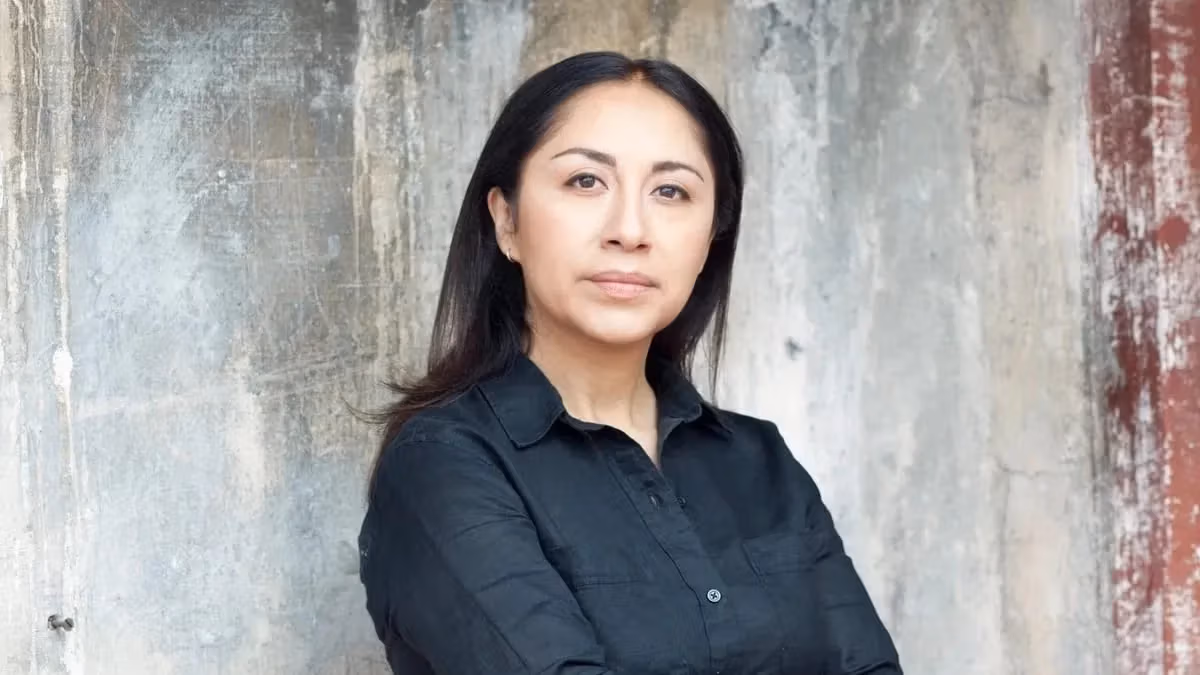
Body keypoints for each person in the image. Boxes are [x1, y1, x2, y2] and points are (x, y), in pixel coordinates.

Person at [357, 51, 902, 675]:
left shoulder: (759, 461)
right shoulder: (446, 465)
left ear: (710, 239)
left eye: (671, 191)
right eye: (586, 181)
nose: (630, 229)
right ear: (506, 219)